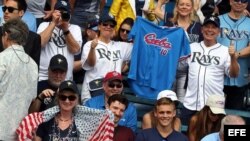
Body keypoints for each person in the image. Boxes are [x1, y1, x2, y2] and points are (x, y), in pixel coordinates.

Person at [181, 15, 239, 125]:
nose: (210, 30)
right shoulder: (192, 47)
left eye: (214, 27)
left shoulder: (225, 51)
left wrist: (233, 58)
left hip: (213, 107)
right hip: (190, 103)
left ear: (218, 31)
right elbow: (179, 66)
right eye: (207, 26)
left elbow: (234, 74)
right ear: (202, 29)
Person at [17, 80, 115, 140]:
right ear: (58, 99)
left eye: (71, 97)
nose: (67, 101)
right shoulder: (46, 120)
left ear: (77, 99)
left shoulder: (85, 122)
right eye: (63, 97)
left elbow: (104, 122)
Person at [154, 0, 203, 103]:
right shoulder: (170, 20)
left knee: (182, 102)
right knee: (166, 100)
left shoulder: (198, 26)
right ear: (177, 6)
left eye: (187, 5)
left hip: (187, 70)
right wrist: (160, 3)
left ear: (191, 8)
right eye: (181, 4)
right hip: (168, 68)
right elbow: (157, 11)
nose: (184, 7)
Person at [0, 19, 38, 141]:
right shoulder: (33, 65)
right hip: (20, 133)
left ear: (6, 35)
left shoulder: (2, 58)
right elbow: (32, 98)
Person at [81, 14, 133, 101]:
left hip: (114, 91)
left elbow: (140, 45)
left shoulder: (120, 46)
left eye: (111, 25)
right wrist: (92, 49)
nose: (108, 27)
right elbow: (90, 63)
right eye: (105, 24)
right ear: (99, 26)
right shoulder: (89, 44)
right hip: (93, 89)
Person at [217, 0, 250, 110]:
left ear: (247, 4)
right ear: (230, 1)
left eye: (243, 1)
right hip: (217, 75)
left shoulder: (249, 23)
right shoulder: (218, 20)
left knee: (234, 117)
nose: (239, 3)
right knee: (214, 115)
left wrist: (236, 54)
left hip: (240, 76)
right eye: (236, 0)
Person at [38, 0, 82, 81]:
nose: (61, 16)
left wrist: (66, 30)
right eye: (59, 12)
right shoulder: (44, 25)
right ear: (53, 13)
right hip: (44, 77)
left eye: (64, 13)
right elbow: (40, 43)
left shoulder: (75, 28)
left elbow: (75, 50)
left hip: (65, 78)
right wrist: (53, 23)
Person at [0, 0, 41, 65]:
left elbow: (34, 68)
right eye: (4, 8)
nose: (6, 12)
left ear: (21, 13)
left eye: (10, 9)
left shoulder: (33, 38)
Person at [73, 21, 98, 93]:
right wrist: (89, 60)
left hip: (99, 82)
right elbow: (72, 66)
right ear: (89, 32)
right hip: (80, 82)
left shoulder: (103, 45)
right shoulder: (80, 45)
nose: (99, 34)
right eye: (97, 31)